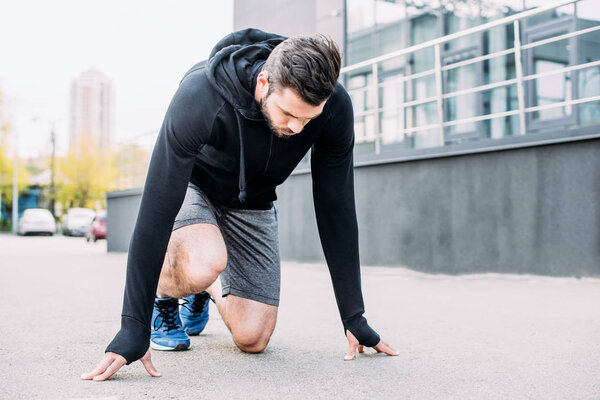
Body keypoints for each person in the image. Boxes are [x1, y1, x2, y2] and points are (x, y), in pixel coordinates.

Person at [82, 28, 397, 381]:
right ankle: (168, 296)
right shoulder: (201, 93)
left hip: (254, 201)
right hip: (193, 186)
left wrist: (354, 316)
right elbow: (156, 208)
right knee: (203, 262)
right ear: (263, 82)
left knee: (253, 337)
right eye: (288, 113)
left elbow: (335, 207)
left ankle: (206, 287)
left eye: (308, 119)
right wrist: (132, 327)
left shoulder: (335, 107)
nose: (296, 127)